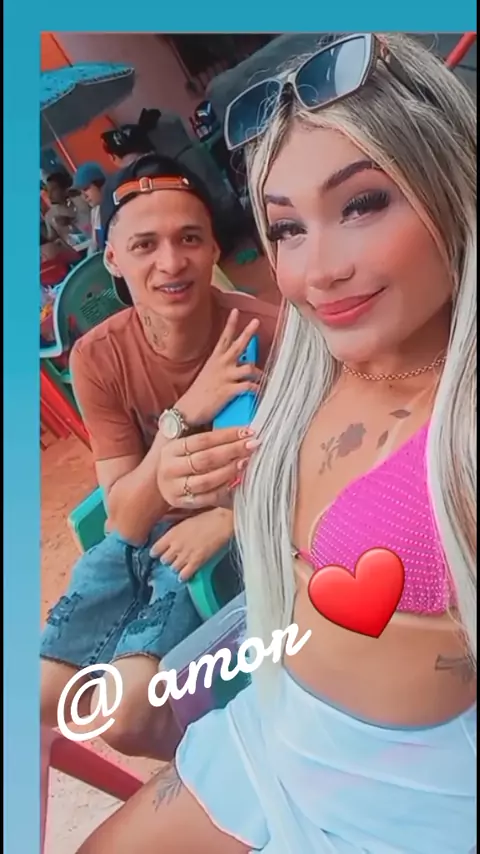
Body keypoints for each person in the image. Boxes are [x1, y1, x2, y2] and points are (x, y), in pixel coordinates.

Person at [77, 33, 477, 854]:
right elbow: (124, 518)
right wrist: (197, 457)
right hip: (275, 717)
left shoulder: (444, 419)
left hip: (403, 798)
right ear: (111, 258)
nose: (319, 270)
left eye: (362, 205)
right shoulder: (308, 355)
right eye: (287, 227)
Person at [40, 152, 279, 760]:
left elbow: (318, 462)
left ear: (214, 247)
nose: (171, 263)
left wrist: (228, 518)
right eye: (144, 245)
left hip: (230, 537)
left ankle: (231, 770)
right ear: (112, 259)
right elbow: (122, 519)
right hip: (140, 535)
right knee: (38, 697)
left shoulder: (269, 333)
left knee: (123, 719)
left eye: (189, 238)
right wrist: (188, 409)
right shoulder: (98, 357)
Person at [44, 171, 92, 243]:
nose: (50, 195)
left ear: (64, 189)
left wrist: (71, 220)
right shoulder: (50, 216)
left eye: (53, 190)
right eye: (48, 191)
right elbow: (52, 238)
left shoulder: (81, 201)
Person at [72, 162, 107, 255]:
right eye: (80, 192)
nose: (84, 197)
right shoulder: (95, 212)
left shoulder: (118, 205)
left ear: (100, 184)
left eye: (86, 189)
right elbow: (95, 246)